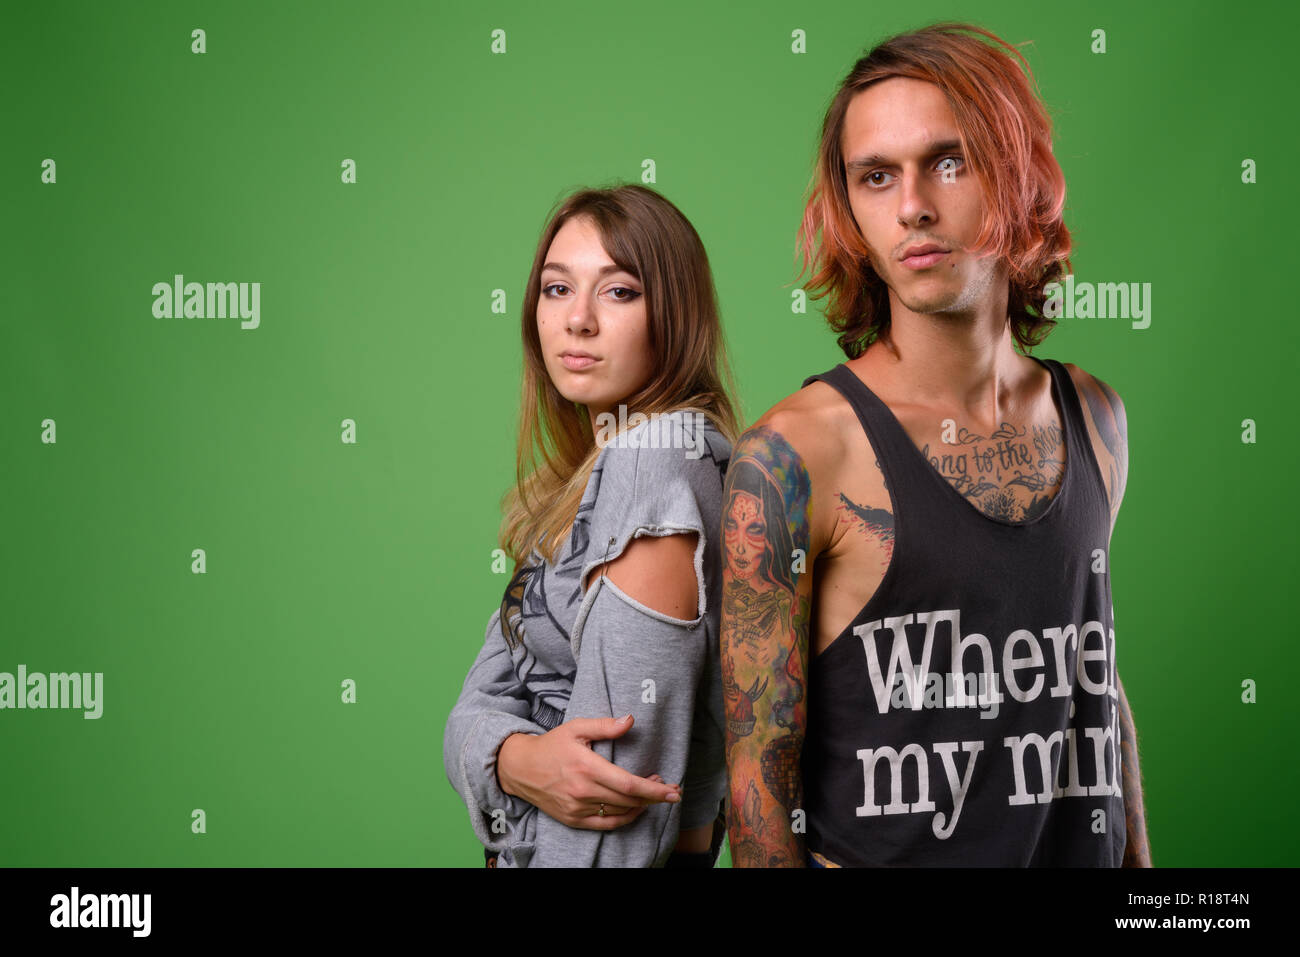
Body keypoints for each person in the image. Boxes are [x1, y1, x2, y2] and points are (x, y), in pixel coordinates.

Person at [720, 22, 1152, 867]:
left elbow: (1090, 676)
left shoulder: (1095, 415)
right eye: (876, 177)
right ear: (849, 206)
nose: (912, 205)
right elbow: (758, 794)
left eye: (948, 162)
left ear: (1015, 170)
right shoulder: (795, 456)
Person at [444, 184, 741, 867]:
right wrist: (517, 757)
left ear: (675, 315)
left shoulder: (656, 463)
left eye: (619, 291)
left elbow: (611, 803)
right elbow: (468, 714)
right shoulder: (577, 484)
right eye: (556, 288)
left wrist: (503, 763)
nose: (577, 319)